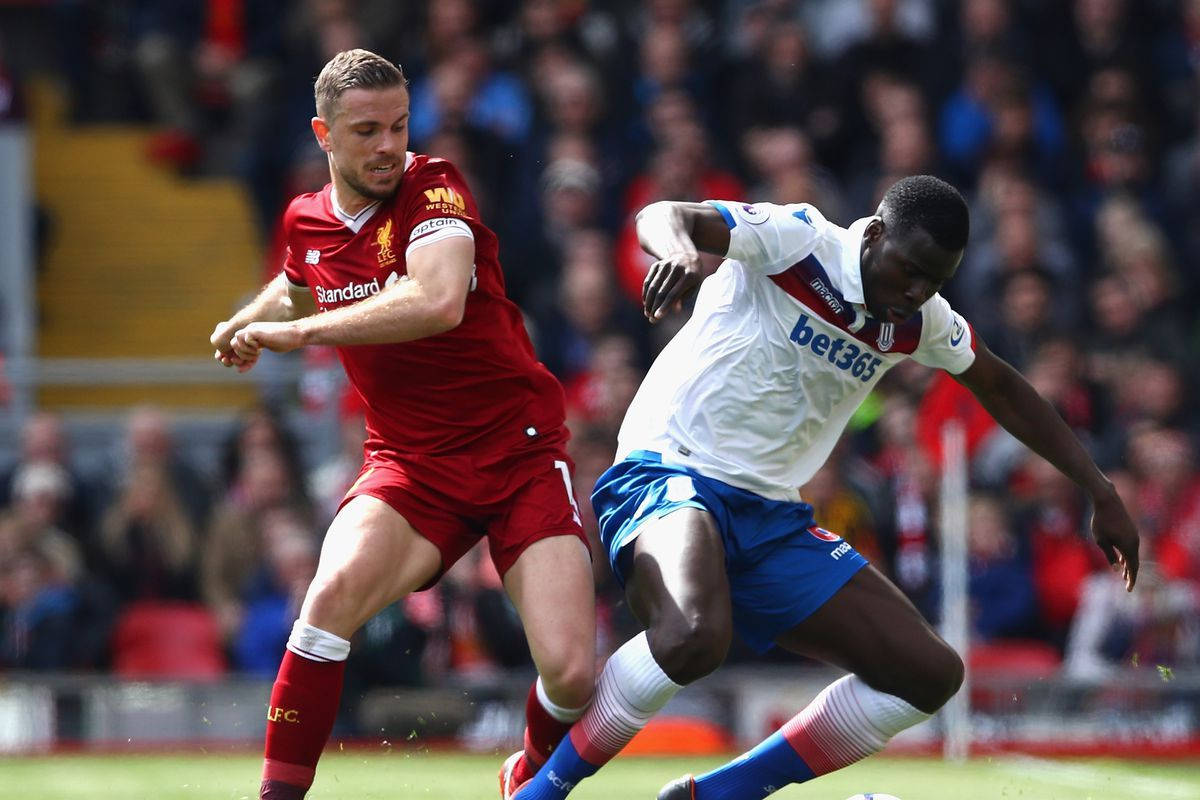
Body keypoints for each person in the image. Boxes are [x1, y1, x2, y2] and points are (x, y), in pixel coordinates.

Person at [510, 175, 1140, 800]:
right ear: (876, 233)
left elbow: (1002, 386)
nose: (917, 291)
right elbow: (664, 213)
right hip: (667, 468)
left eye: (936, 282)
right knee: (695, 635)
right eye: (911, 270)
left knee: (928, 676)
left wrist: (1099, 489)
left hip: (770, 514)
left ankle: (717, 796)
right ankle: (539, 790)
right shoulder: (798, 240)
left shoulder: (919, 320)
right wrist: (677, 248)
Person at [208, 49, 596, 800]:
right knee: (327, 600)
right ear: (324, 134)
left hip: (516, 453)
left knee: (573, 674)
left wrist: (305, 337)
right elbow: (297, 286)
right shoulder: (304, 219)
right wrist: (245, 322)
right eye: (366, 131)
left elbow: (439, 299)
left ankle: (527, 778)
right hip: (412, 466)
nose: (388, 145)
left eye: (398, 126)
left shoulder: (434, 187)